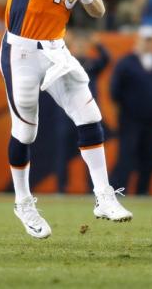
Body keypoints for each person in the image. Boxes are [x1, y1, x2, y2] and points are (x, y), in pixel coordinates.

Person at [0, 0, 132, 240]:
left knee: (90, 115)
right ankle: (23, 201)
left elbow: (98, 9)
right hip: (23, 48)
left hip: (56, 48)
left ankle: (103, 195)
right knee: (25, 131)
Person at [109, 26, 152, 195]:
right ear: (138, 40)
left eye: (151, 40)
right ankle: (118, 191)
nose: (148, 44)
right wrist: (129, 107)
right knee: (126, 155)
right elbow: (115, 90)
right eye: (146, 40)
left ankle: (142, 192)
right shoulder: (126, 62)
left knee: (149, 157)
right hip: (131, 118)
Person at [51, 30, 111, 193]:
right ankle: (61, 189)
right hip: (67, 116)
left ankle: (93, 188)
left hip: (86, 115)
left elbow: (107, 59)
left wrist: (97, 44)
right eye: (77, 45)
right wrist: (62, 44)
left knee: (91, 153)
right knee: (63, 154)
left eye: (83, 45)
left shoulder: (91, 64)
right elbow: (49, 59)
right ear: (72, 47)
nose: (81, 48)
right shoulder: (64, 62)